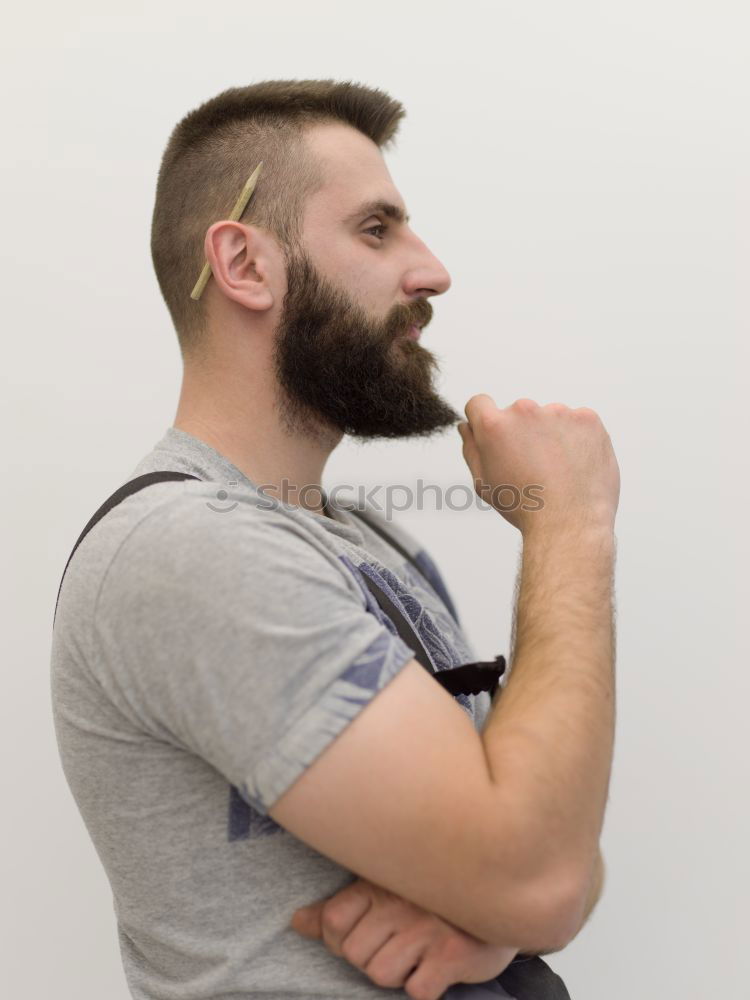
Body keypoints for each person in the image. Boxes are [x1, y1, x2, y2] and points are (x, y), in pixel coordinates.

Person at [51, 79, 617, 999]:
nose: (431, 272)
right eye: (376, 229)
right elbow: (542, 877)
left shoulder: (367, 543)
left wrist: (490, 921)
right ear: (243, 264)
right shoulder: (189, 549)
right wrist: (572, 525)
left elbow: (556, 842)